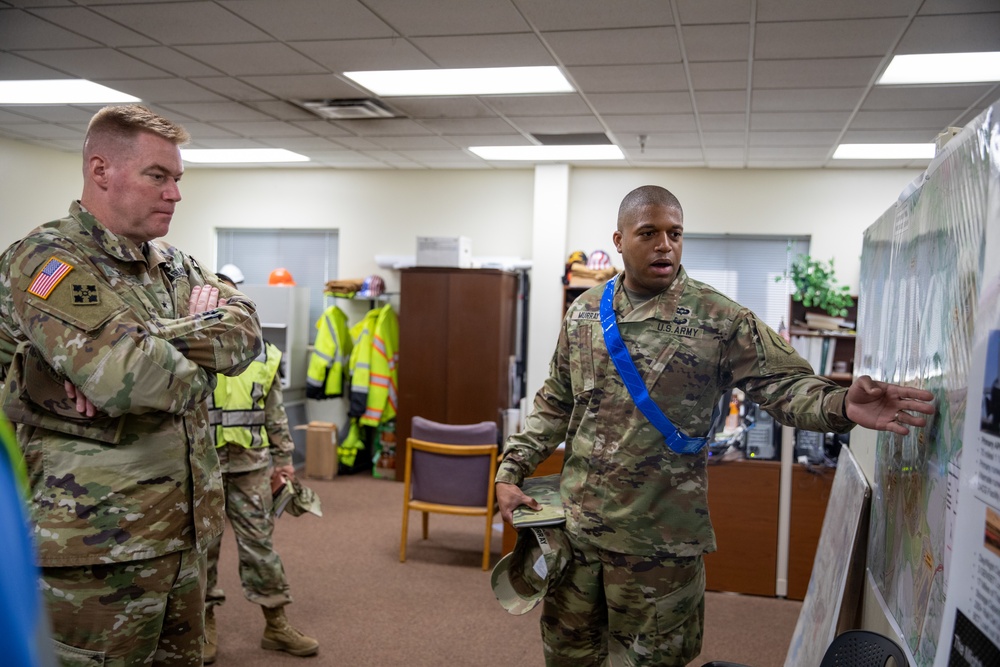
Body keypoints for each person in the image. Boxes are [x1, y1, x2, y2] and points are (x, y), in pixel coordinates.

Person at [494, 185, 936, 666]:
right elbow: (554, 402)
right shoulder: (583, 312)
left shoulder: (719, 319)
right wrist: (510, 469)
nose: (665, 244)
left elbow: (786, 386)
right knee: (568, 658)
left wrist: (841, 404)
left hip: (658, 549)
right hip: (576, 535)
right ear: (619, 240)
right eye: (649, 233)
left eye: (675, 233)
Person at [0, 104, 263, 665]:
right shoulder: (48, 261)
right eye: (158, 176)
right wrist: (171, 347)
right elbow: (132, 379)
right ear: (101, 170)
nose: (175, 194)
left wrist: (143, 341)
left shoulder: (172, 263)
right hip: (96, 546)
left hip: (185, 535)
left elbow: (246, 338)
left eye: (177, 179)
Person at [204, 270, 319, 662]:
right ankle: (204, 622)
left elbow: (275, 414)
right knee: (204, 550)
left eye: (231, 302)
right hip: (203, 469)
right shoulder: (188, 352)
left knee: (261, 548)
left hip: (251, 467)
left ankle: (276, 623)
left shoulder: (264, 354)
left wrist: (284, 461)